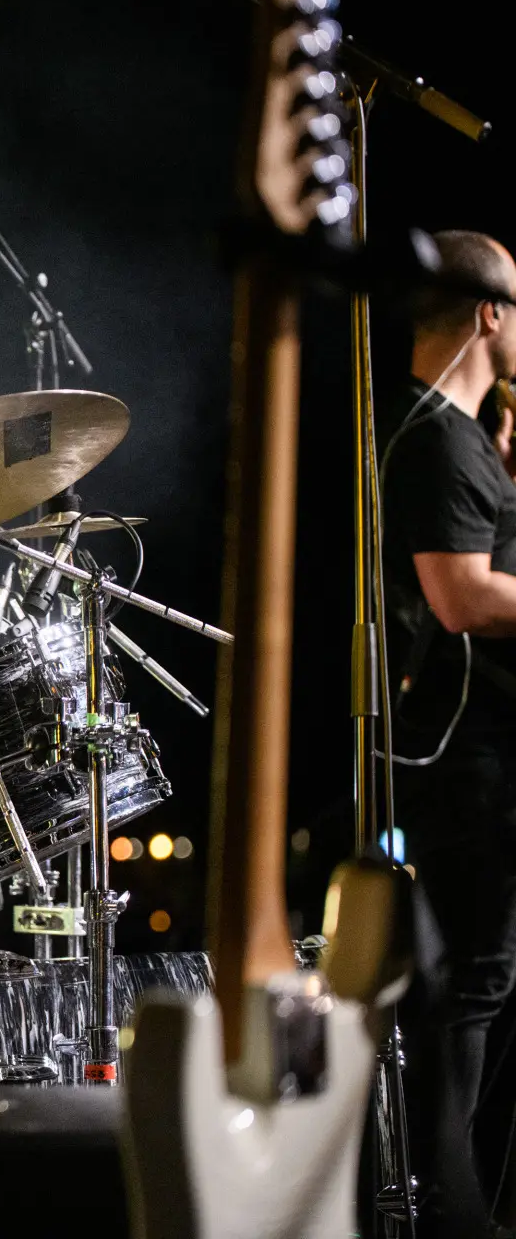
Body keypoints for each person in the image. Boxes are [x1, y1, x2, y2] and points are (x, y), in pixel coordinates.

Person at [381, 228, 516, 1233]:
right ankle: (448, 1214)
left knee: (478, 982)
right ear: (489, 315)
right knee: (471, 983)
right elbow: (462, 596)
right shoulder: (435, 436)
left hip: (477, 750)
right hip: (462, 759)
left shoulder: (454, 434)